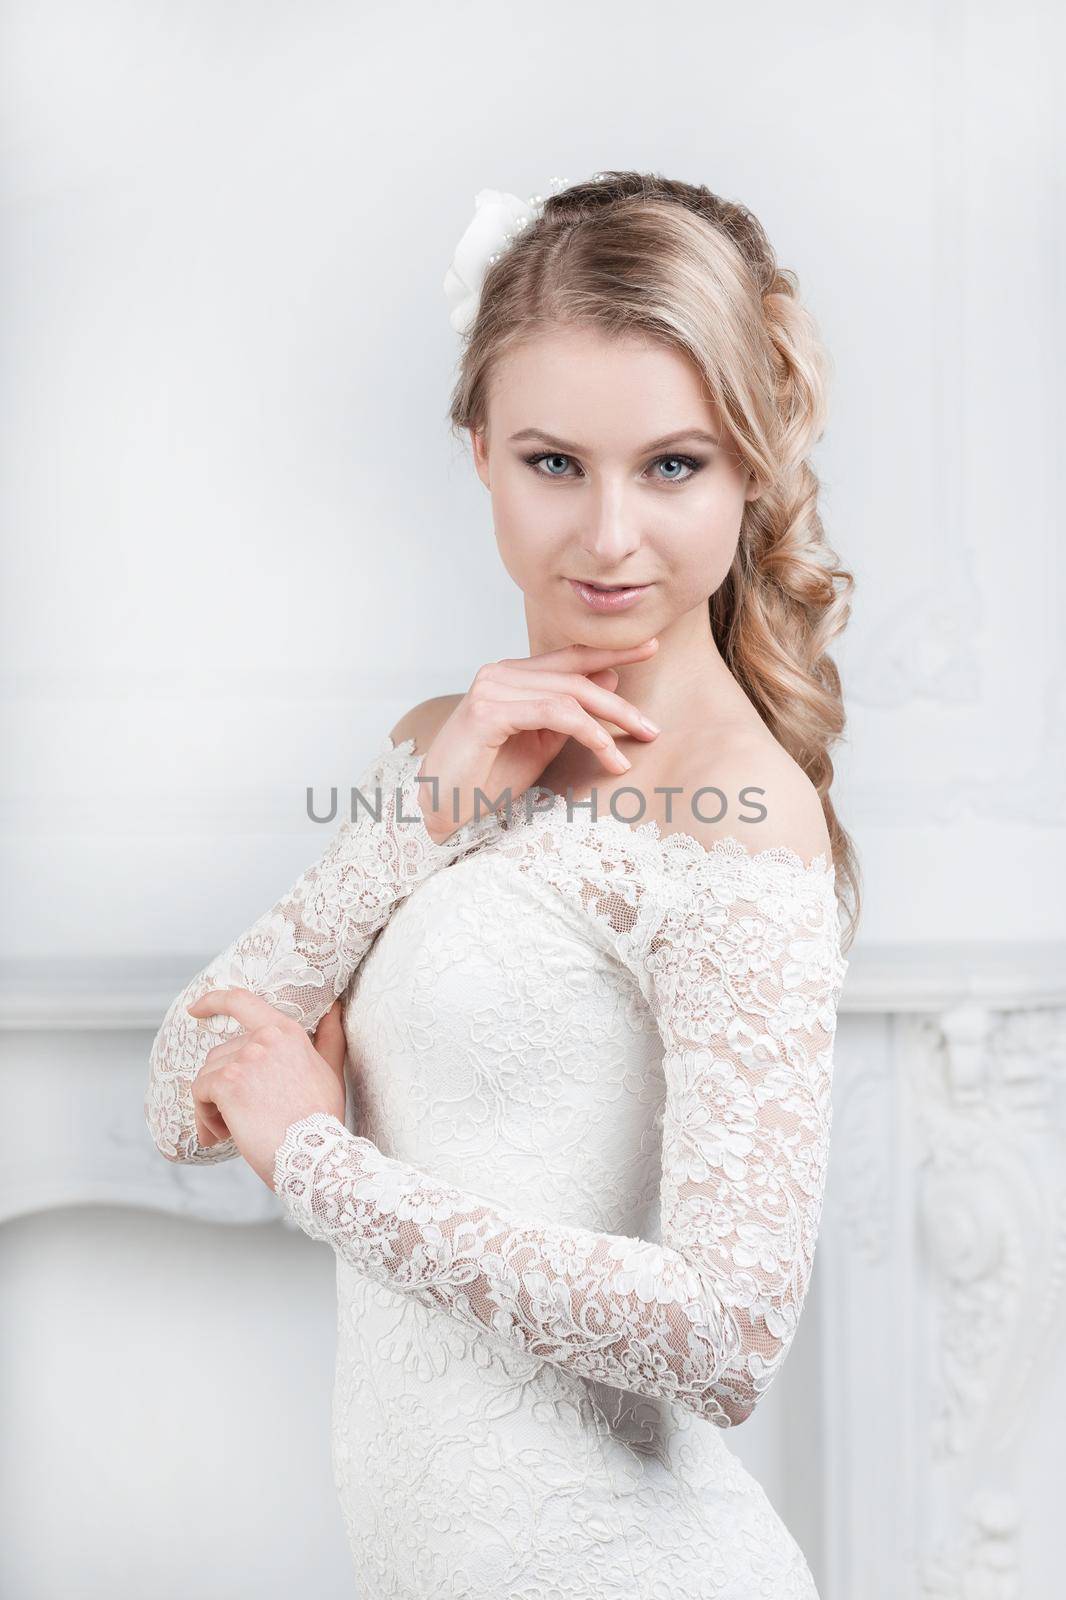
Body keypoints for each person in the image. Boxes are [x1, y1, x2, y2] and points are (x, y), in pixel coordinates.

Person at [146, 169, 859, 1599]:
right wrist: (429, 808)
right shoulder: (443, 750)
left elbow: (725, 1340)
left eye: (672, 465)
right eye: (553, 463)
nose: (605, 537)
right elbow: (184, 1088)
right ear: (478, 451)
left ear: (753, 464)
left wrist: (319, 1167)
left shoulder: (743, 823)